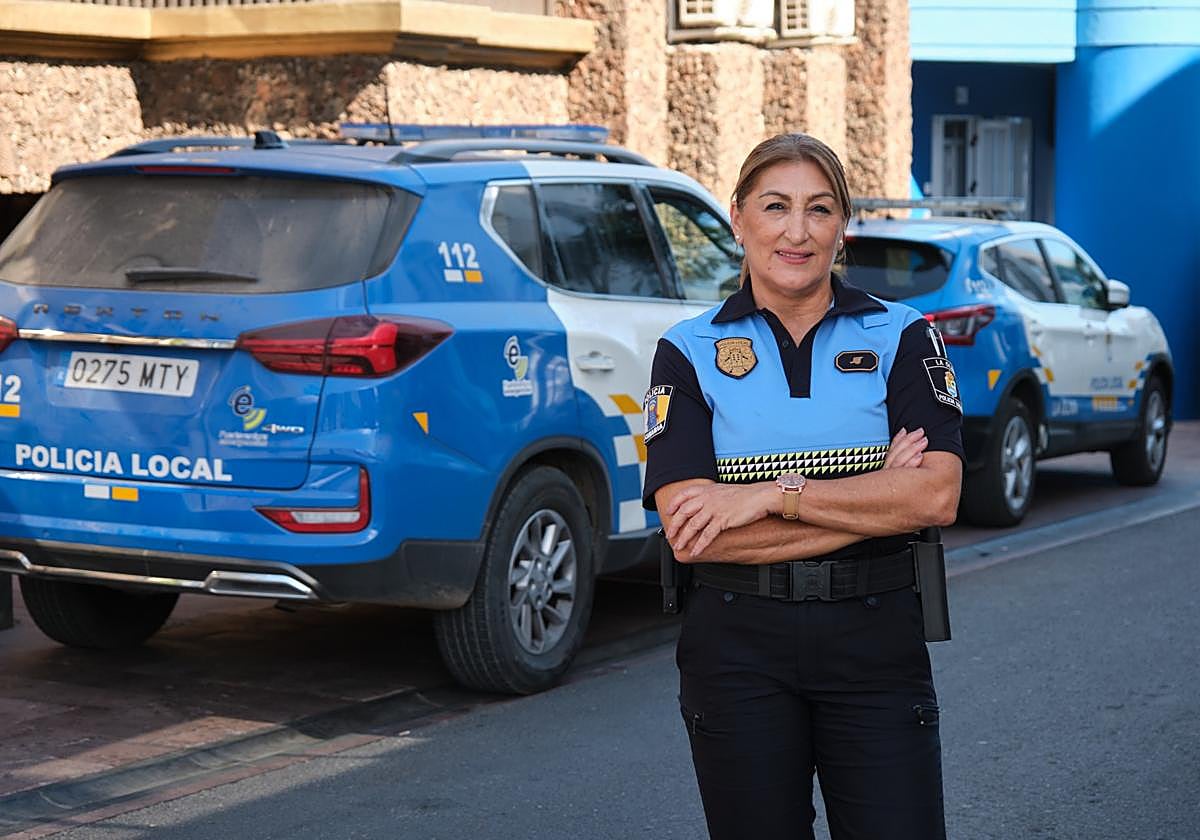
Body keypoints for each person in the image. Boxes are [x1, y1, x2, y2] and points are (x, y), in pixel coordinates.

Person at [641, 133, 964, 840]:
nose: (797, 230)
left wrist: (764, 496)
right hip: (736, 646)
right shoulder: (687, 351)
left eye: (819, 209)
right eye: (776, 206)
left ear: (841, 225)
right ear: (738, 217)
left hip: (875, 635)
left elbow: (936, 497)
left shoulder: (902, 336)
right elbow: (691, 534)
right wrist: (878, 497)